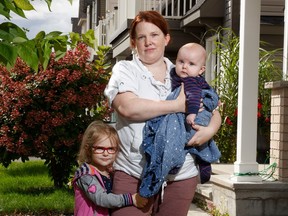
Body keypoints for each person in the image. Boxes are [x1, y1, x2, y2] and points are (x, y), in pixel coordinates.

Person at [104, 10, 221, 216]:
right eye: (141, 37)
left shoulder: (183, 70)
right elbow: (127, 107)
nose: (148, 42)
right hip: (134, 171)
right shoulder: (125, 70)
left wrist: (210, 130)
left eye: (154, 35)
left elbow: (213, 106)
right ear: (134, 43)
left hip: (181, 175)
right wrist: (177, 105)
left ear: (166, 38)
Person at [139, 43, 221, 198]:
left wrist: (191, 113)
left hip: (194, 116)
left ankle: (179, 162)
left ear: (201, 70)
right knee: (188, 141)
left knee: (182, 138)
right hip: (191, 115)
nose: (184, 67)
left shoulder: (191, 81)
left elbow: (195, 97)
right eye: (181, 62)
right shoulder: (177, 76)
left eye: (191, 64)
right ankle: (200, 161)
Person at [73, 120, 148, 216]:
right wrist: (130, 199)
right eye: (100, 148)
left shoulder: (108, 172)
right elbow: (101, 199)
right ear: (88, 149)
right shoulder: (86, 175)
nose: (105, 153)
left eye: (111, 149)